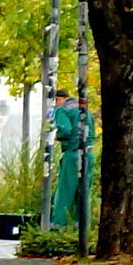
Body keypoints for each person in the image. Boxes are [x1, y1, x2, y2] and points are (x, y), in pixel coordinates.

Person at [50, 87, 95, 229]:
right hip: (89, 154)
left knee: (65, 191)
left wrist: (56, 136)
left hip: (73, 153)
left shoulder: (62, 110)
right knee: (83, 193)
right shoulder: (85, 109)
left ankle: (58, 226)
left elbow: (65, 130)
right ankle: (81, 228)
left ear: (58, 99)